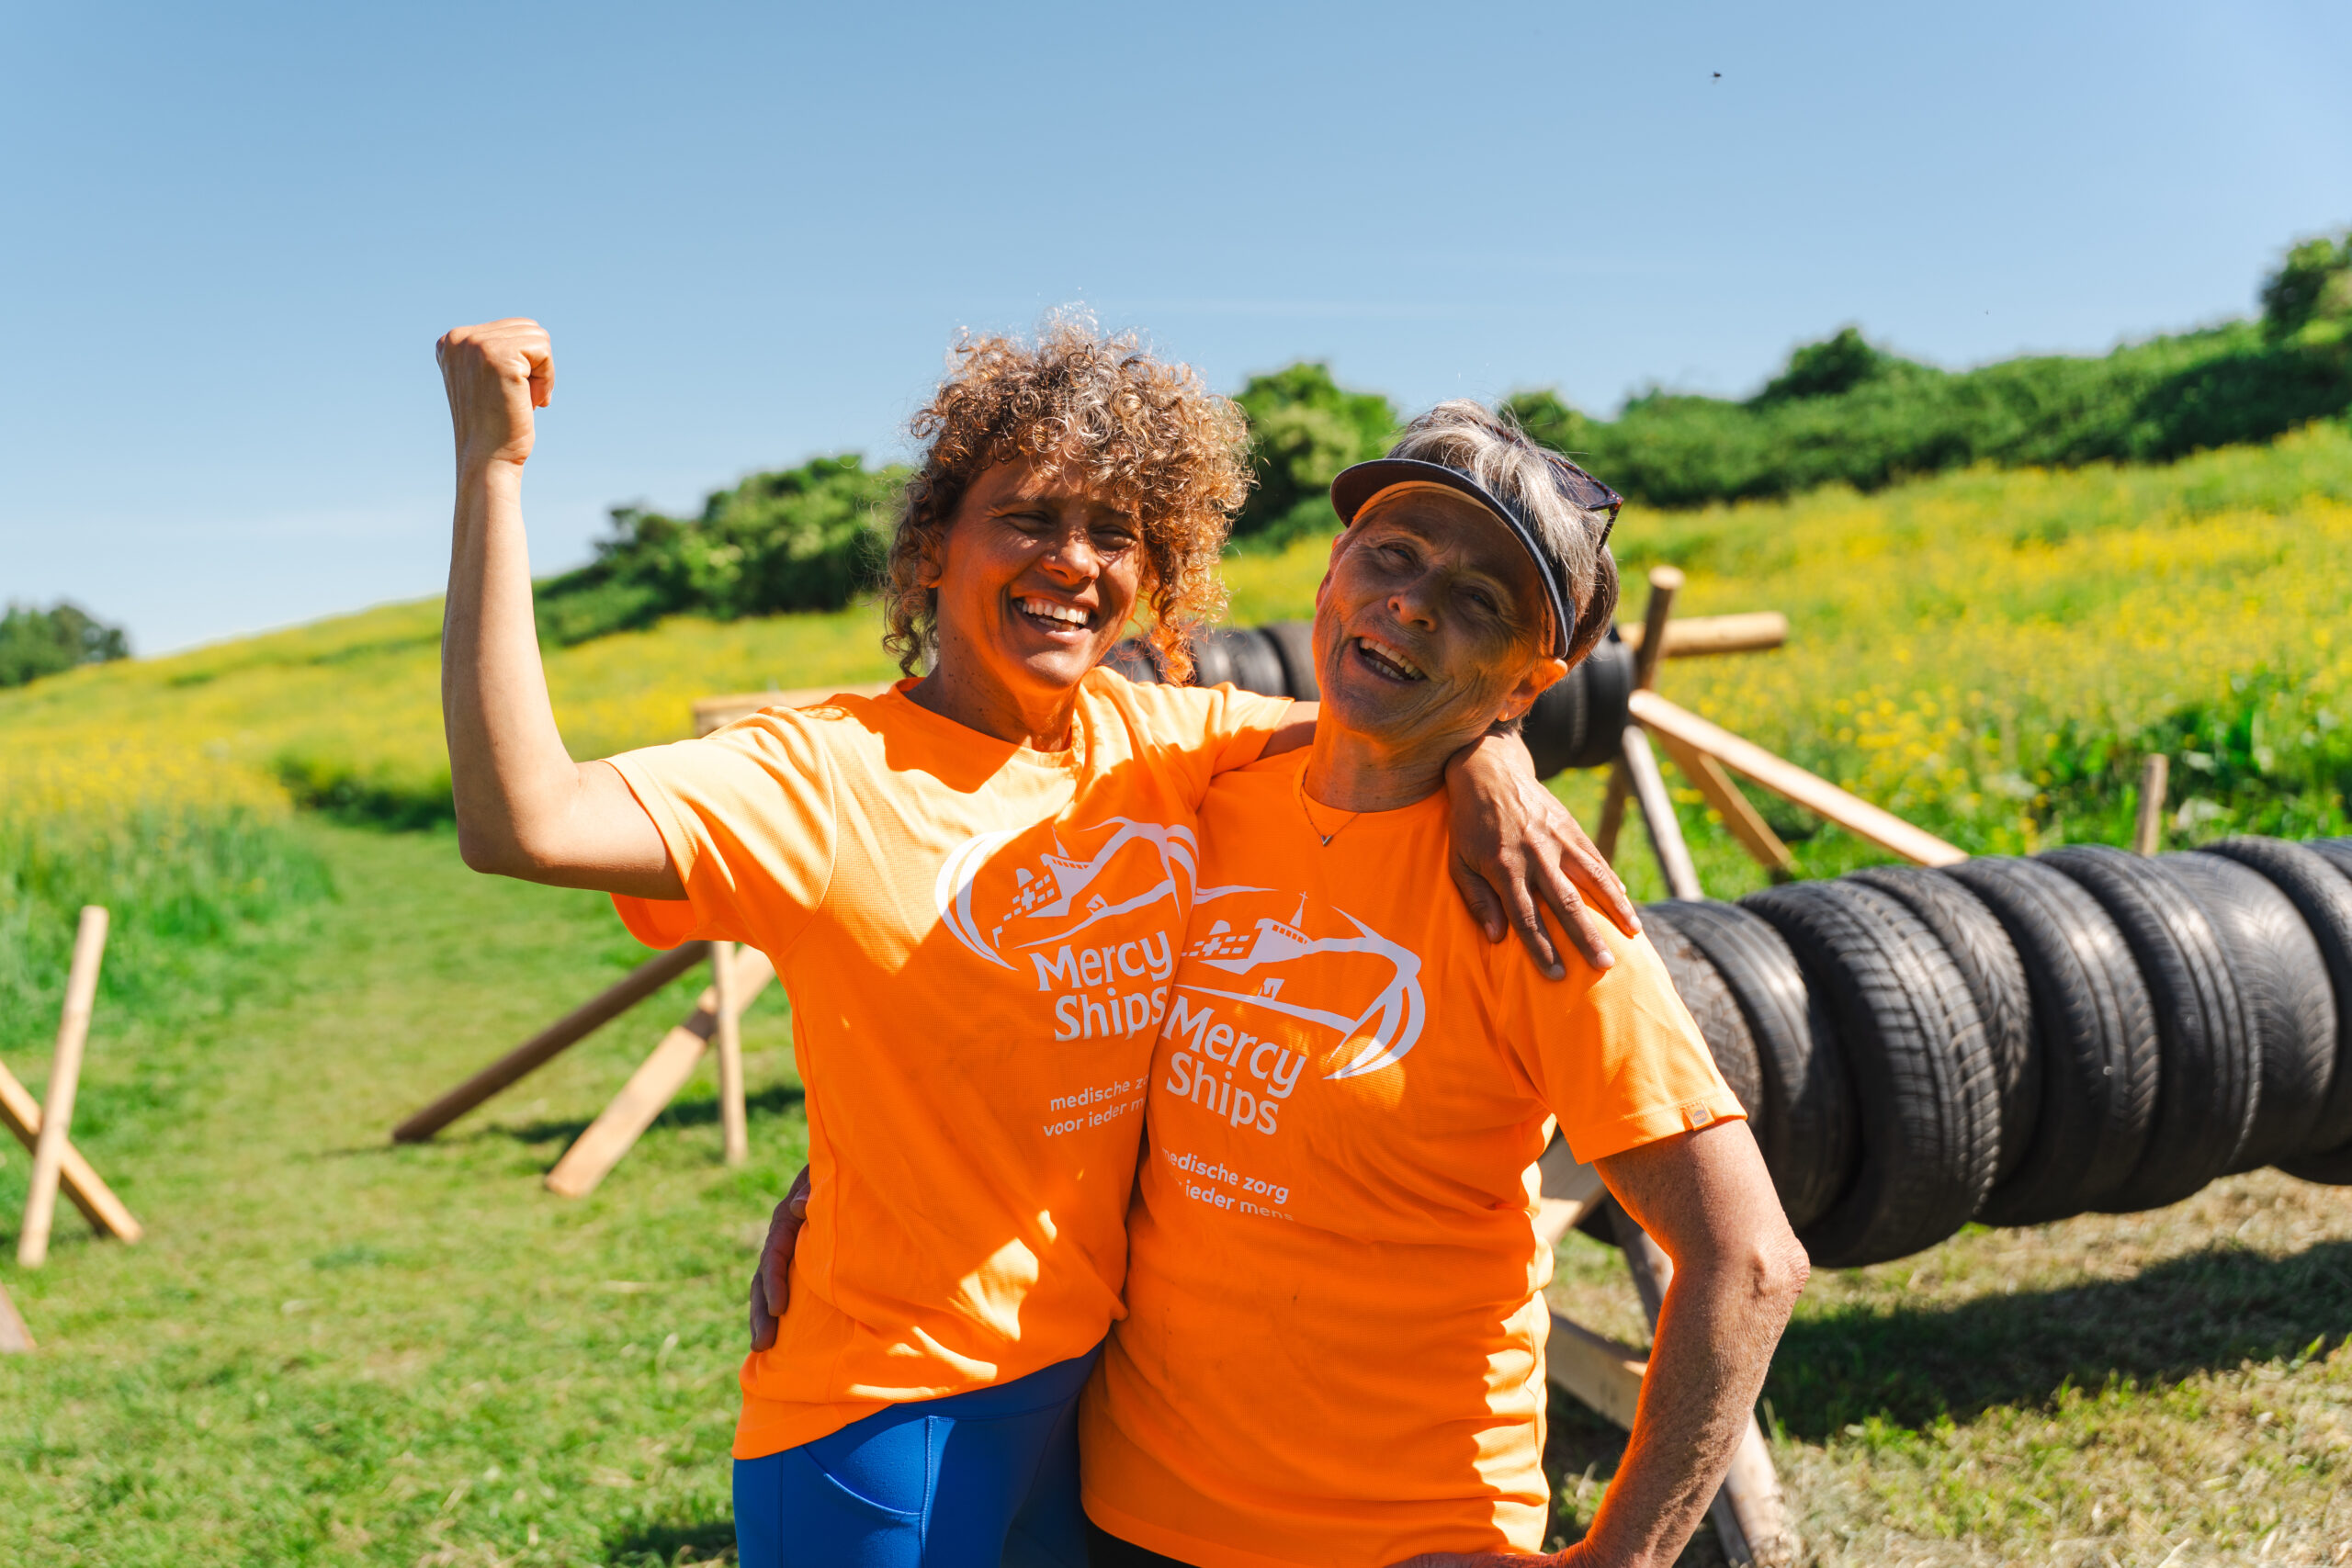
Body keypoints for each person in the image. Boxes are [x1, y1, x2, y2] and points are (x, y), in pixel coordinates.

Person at [434, 315, 1639, 1568]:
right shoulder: (818, 773)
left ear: (1153, 573)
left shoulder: (1162, 743)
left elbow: (1392, 703)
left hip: (1087, 1407)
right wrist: (493, 472)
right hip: (881, 1414)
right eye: (1026, 516)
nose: (1072, 560)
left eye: (1115, 532)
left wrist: (1499, 754)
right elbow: (519, 816)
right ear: (932, 548)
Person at [1075, 404, 1810, 1568]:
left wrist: (1620, 1561)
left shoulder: (1537, 905)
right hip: (1124, 1515)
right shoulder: (1190, 799)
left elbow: (1750, 1260)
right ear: (1331, 572)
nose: (1411, 602)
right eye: (1393, 554)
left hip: (1405, 1535)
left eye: (1479, 603)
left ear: (1531, 680)